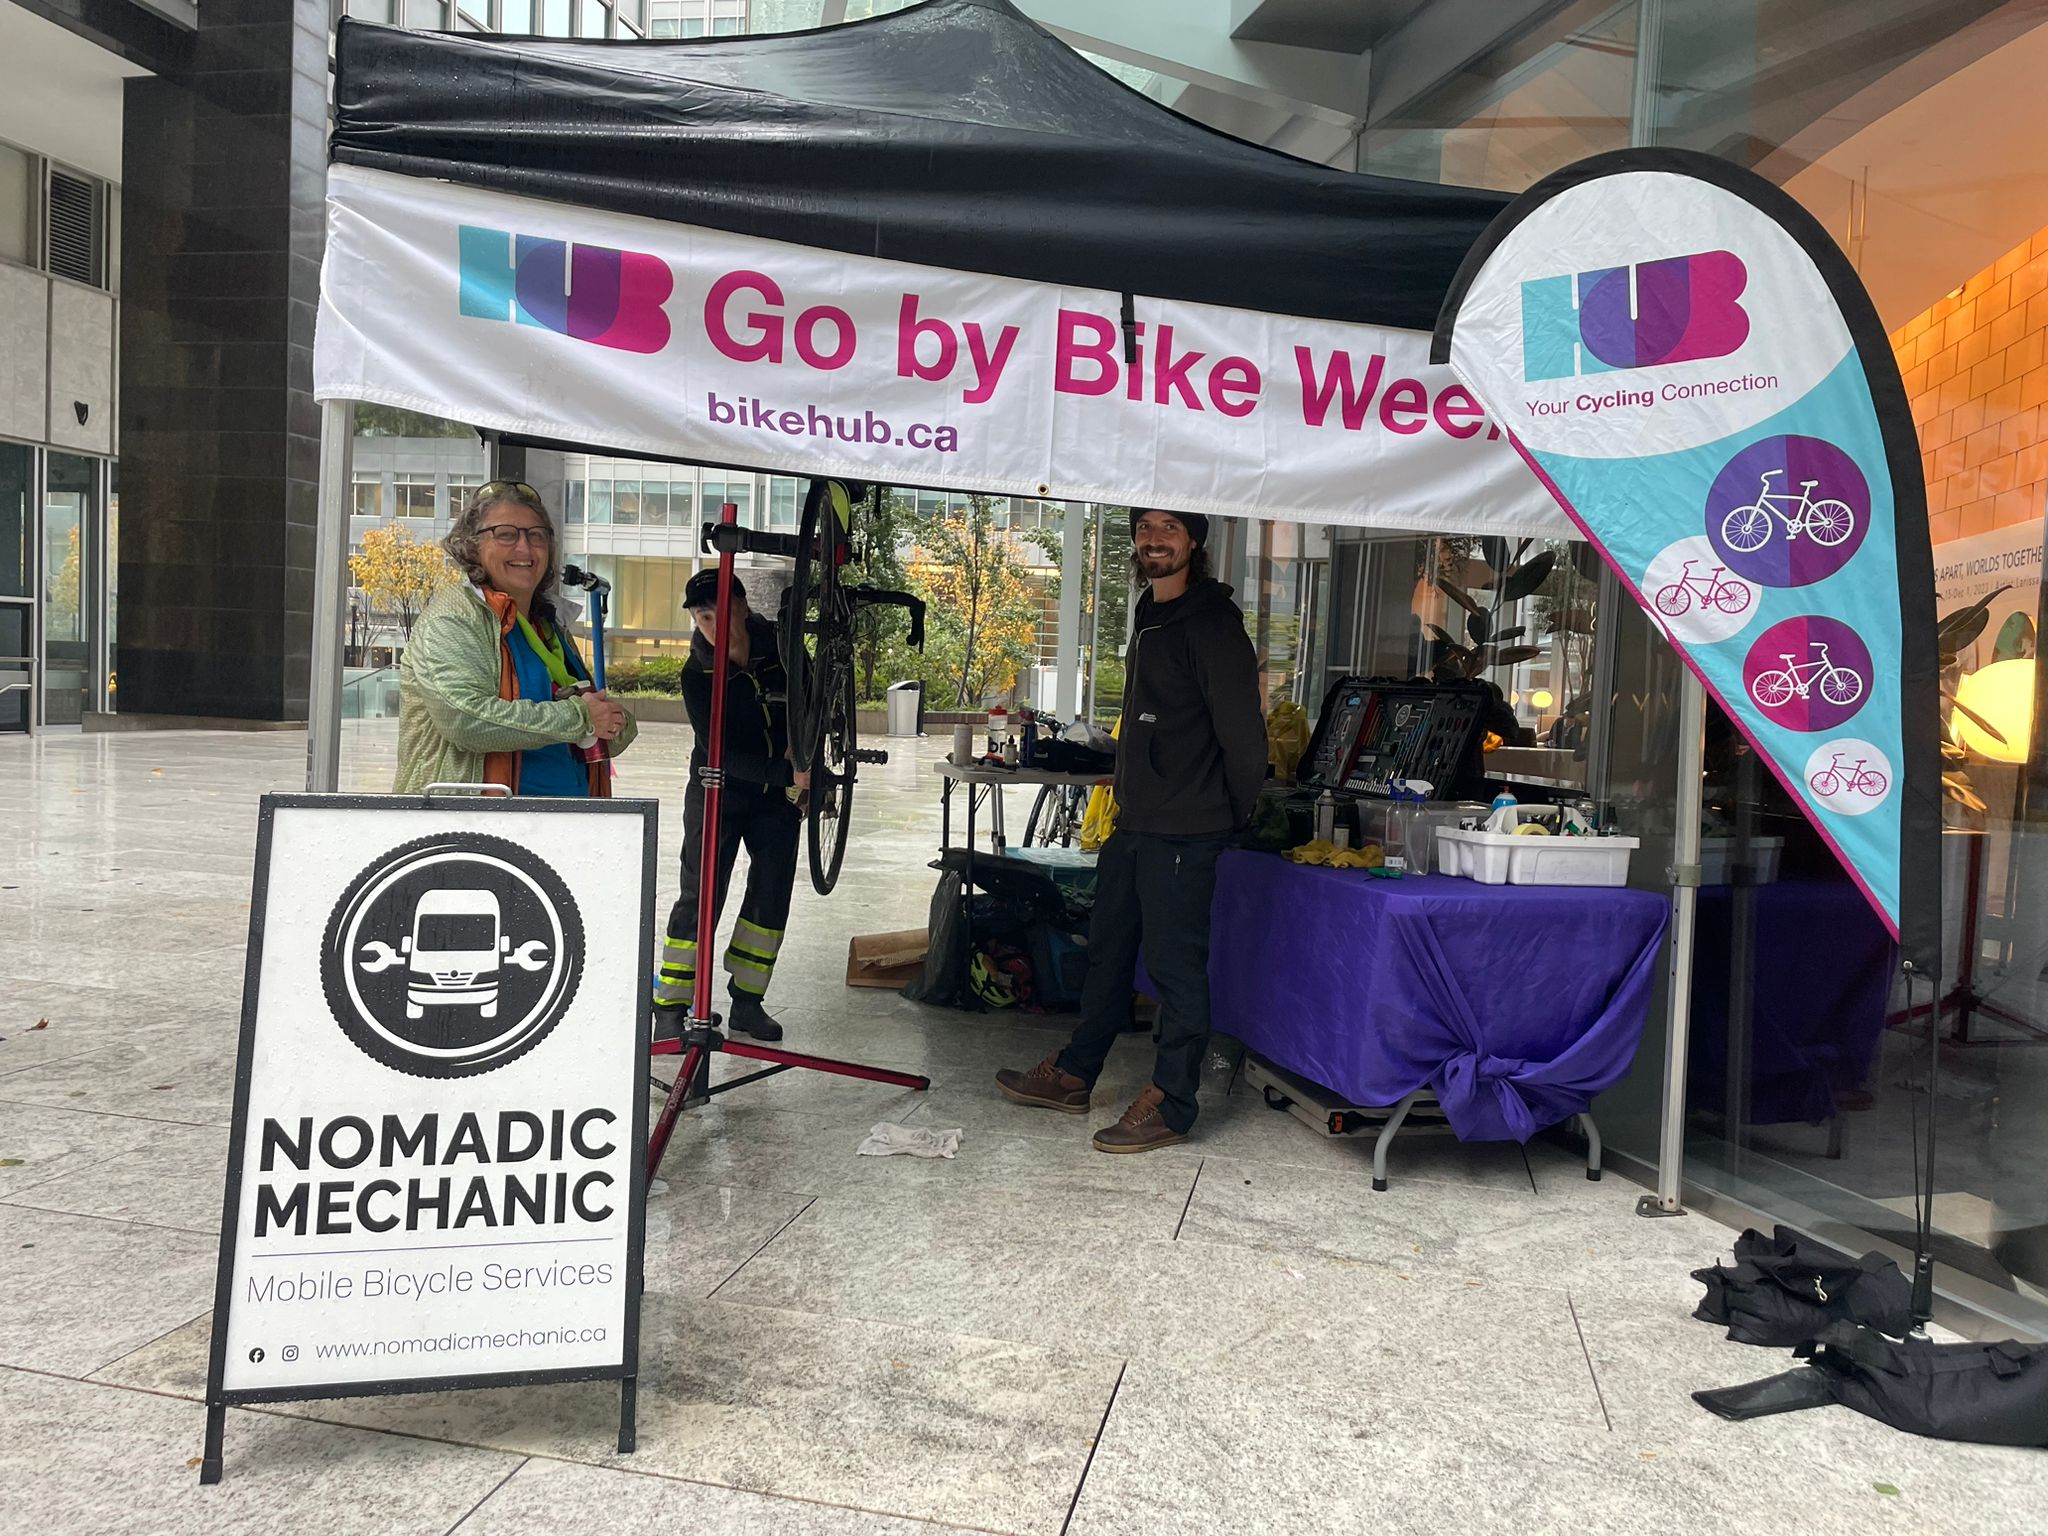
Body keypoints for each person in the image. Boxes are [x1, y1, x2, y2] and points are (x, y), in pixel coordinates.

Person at [996, 508, 1265, 1152]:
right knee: (1107, 952)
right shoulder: (1151, 614)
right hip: (1138, 822)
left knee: (1175, 970)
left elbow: (1245, 742)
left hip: (1186, 829)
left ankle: (1172, 1103)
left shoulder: (1213, 626)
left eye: (1169, 528)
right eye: (1146, 527)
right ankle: (1076, 1073)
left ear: (1193, 541)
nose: (1154, 539)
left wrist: (1222, 816)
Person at [394, 479, 632, 796]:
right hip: (475, 829)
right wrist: (580, 717)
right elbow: (465, 719)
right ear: (471, 546)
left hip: (565, 825)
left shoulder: (547, 624)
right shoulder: (453, 617)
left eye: (537, 535)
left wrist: (614, 721)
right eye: (505, 534)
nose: (525, 547)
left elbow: (595, 719)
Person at [653, 568, 810, 1043]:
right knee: (700, 894)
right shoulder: (696, 671)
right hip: (717, 789)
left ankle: (747, 1001)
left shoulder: (780, 648)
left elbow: (814, 703)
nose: (711, 624)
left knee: (770, 894)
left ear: (741, 606)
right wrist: (787, 772)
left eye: (720, 612)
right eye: (702, 616)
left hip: (777, 797)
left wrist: (804, 758)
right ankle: (671, 1006)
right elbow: (717, 750)